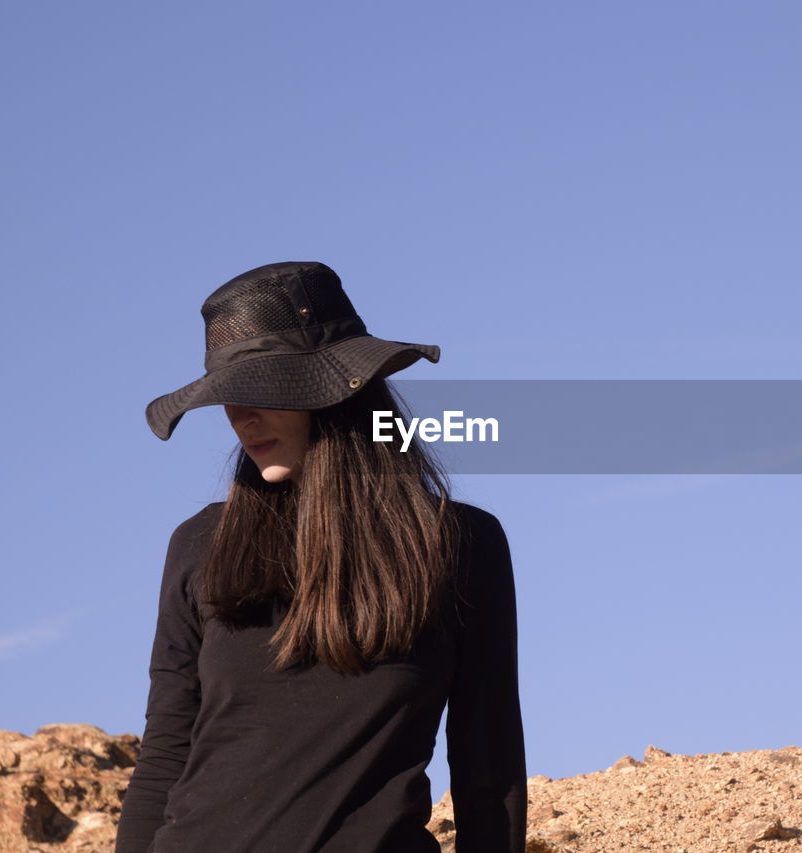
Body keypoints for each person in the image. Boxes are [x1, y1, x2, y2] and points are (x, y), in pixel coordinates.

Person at [114, 261, 526, 853]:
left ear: (333, 390)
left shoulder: (460, 545)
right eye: (229, 396)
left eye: (260, 389)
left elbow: (488, 762)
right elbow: (166, 751)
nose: (240, 418)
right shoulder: (202, 544)